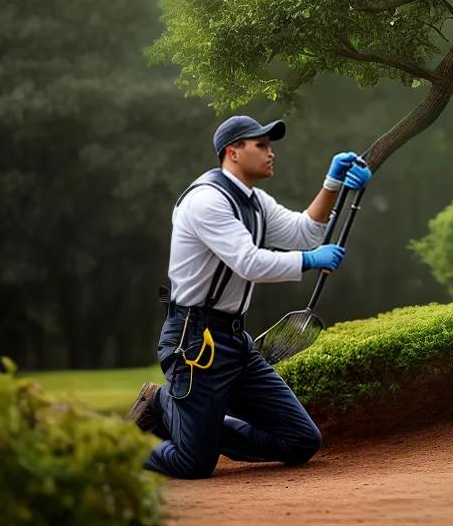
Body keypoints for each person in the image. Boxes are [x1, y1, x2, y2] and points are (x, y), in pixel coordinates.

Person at [124, 114, 371, 477]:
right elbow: (248, 263)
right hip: (195, 344)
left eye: (270, 145)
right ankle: (126, 443)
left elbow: (306, 234)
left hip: (236, 342)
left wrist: (332, 183)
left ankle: (176, 416)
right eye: (262, 145)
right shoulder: (206, 200)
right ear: (232, 152)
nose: (271, 153)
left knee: (301, 441)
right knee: (193, 464)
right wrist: (308, 262)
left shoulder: (255, 202)